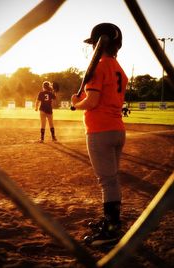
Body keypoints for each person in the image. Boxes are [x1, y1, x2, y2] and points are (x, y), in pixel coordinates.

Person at [71, 23, 128, 246]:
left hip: (100, 131)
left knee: (107, 180)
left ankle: (112, 229)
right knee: (112, 179)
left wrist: (76, 105)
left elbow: (92, 102)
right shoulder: (118, 68)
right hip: (117, 130)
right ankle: (111, 221)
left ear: (97, 43)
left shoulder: (98, 66)